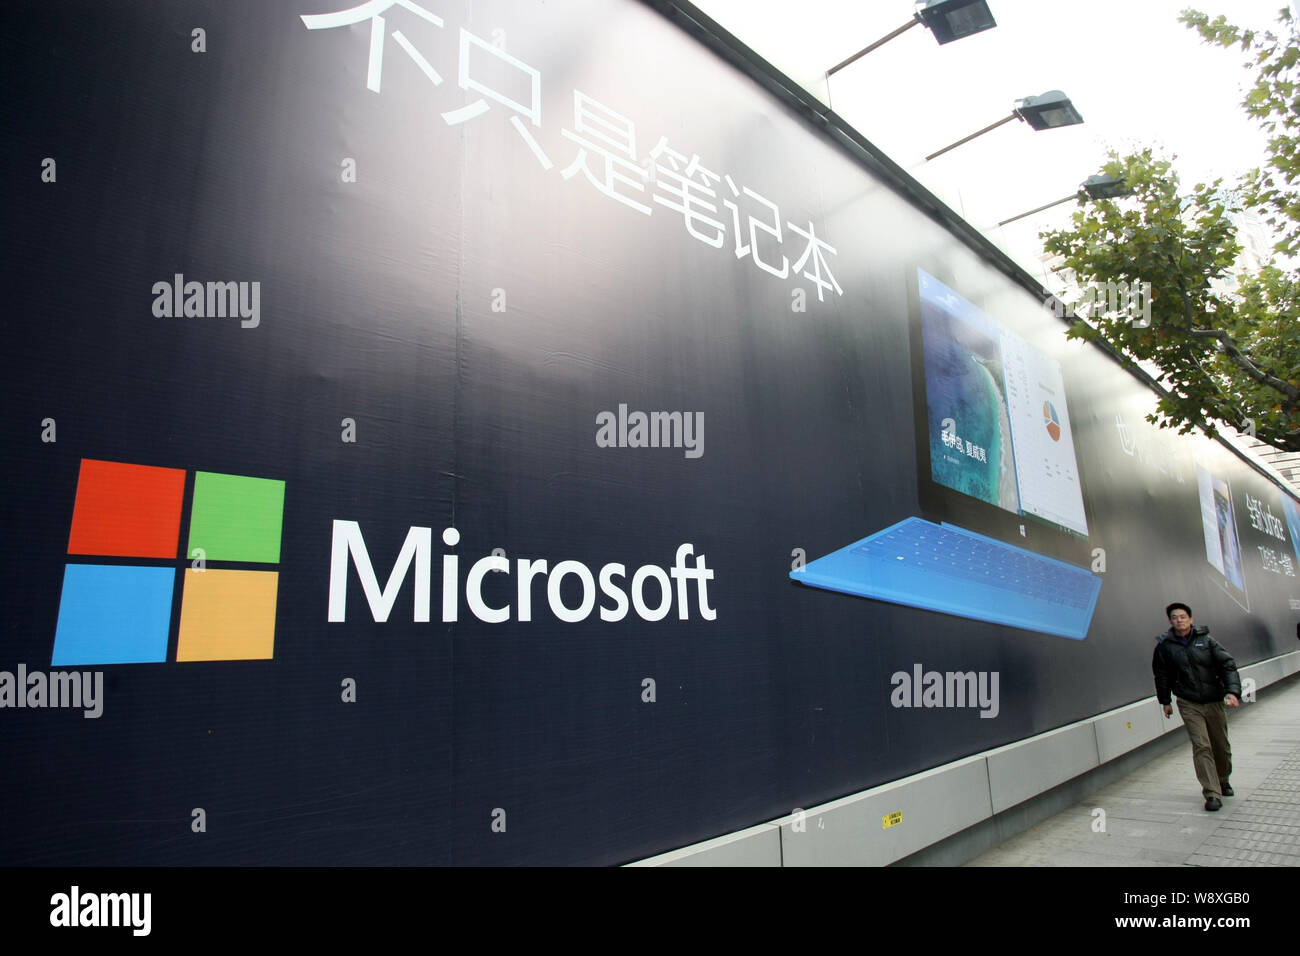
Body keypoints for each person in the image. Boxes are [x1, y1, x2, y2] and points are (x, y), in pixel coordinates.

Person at [1152, 603, 1241, 811]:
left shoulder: (1207, 641)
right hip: (1188, 702)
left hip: (1214, 701)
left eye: (1182, 617)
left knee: (1220, 745)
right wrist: (1165, 701)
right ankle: (1211, 793)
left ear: (1190, 619)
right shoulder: (1164, 647)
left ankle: (1223, 778)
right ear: (1170, 622)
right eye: (1174, 617)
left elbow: (1227, 665)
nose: (1179, 620)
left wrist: (1232, 692)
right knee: (1202, 745)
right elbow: (1161, 676)